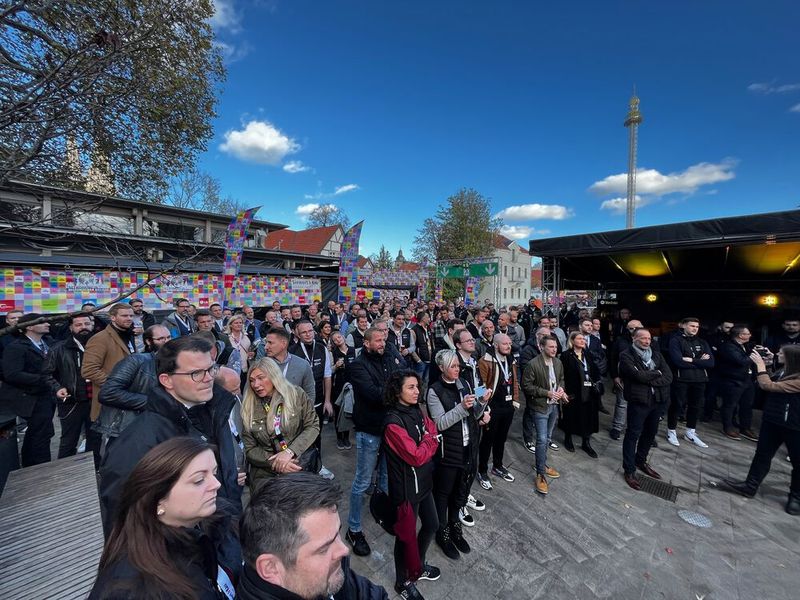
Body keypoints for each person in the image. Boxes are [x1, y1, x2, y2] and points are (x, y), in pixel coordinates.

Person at [98, 336, 241, 535]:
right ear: (167, 380)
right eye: (196, 373)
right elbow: (124, 521)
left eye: (210, 369)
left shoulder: (215, 411)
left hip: (221, 541)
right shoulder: (138, 442)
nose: (208, 378)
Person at [89, 437, 240, 600]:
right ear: (157, 500)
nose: (216, 484)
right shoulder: (134, 588)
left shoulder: (215, 524)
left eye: (214, 472)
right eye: (199, 480)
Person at [238, 472, 389, 600]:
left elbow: (368, 593)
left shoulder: (327, 573)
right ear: (270, 568)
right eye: (324, 549)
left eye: (337, 534)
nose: (344, 550)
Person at [345, 327, 403, 557]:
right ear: (366, 343)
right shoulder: (358, 365)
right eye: (378, 340)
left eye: (384, 339)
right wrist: (397, 390)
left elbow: (406, 374)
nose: (383, 343)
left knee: (387, 476)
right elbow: (374, 394)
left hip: (391, 427)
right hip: (369, 430)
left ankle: (382, 513)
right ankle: (354, 528)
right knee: (362, 480)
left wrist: (395, 385)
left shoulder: (389, 354)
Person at [383, 371, 441, 600]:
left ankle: (418, 564)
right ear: (398, 392)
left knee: (432, 524)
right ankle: (402, 581)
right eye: (411, 387)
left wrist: (429, 439)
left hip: (423, 482)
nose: (417, 391)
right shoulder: (392, 423)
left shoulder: (416, 409)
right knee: (405, 537)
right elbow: (416, 455)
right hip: (407, 490)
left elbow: (432, 429)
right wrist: (430, 440)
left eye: (417, 386)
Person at [723, 346, 800, 515]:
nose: (777, 354)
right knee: (762, 455)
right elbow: (772, 379)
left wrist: (760, 365)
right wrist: (770, 363)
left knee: (798, 463)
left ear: (791, 359)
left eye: (781, 353)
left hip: (795, 426)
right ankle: (750, 486)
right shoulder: (784, 370)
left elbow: (768, 385)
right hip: (773, 421)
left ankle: (796, 498)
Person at [427, 350, 488, 560]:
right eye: (452, 366)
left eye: (458, 366)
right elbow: (439, 423)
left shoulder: (465, 383)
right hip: (448, 451)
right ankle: (442, 533)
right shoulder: (434, 391)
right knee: (443, 493)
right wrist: (461, 407)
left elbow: (475, 414)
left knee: (460, 491)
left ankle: (455, 527)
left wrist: (482, 404)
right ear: (442, 368)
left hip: (468, 447)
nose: (457, 369)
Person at [240, 357, 320, 491]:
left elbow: (312, 425)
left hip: (298, 466)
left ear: (273, 376)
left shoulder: (296, 395)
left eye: (261, 378)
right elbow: (249, 449)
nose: (255, 384)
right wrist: (276, 462)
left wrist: (289, 452)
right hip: (266, 476)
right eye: (252, 380)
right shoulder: (249, 407)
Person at [96, 325, 172, 442]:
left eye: (169, 337)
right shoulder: (135, 360)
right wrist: (153, 401)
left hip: (153, 428)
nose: (166, 342)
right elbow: (108, 393)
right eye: (161, 338)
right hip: (123, 429)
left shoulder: (172, 363)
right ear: (148, 341)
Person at [618, 328, 673, 490]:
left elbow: (668, 376)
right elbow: (637, 376)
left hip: (657, 400)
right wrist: (656, 373)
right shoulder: (626, 355)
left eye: (649, 338)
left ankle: (640, 460)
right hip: (639, 401)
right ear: (634, 338)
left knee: (650, 433)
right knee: (632, 434)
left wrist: (651, 377)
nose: (647, 341)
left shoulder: (656, 353)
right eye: (643, 338)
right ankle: (629, 469)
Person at [42, 314, 102, 461]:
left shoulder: (99, 346)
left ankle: (94, 470)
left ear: (92, 325)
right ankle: (65, 473)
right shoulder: (58, 349)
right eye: (78, 324)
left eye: (87, 324)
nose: (83, 328)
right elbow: (46, 374)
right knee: (69, 440)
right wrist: (57, 388)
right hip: (71, 402)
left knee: (95, 438)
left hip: (96, 400)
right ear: (71, 327)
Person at [0, 313, 54, 466]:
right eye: (42, 322)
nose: (48, 324)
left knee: (43, 433)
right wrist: (44, 379)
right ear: (29, 327)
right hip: (29, 397)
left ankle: (37, 465)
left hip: (45, 395)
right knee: (38, 435)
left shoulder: (48, 342)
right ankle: (38, 467)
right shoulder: (16, 347)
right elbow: (12, 374)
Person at [522, 335, 565, 495]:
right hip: (540, 407)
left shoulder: (558, 362)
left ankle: (542, 463)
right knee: (540, 439)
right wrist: (546, 393)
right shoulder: (533, 365)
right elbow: (526, 386)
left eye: (555, 347)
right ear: (541, 347)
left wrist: (561, 389)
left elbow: (561, 379)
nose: (554, 349)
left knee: (547, 438)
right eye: (551, 347)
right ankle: (540, 473)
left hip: (554, 406)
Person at [290, 319, 333, 478]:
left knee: (317, 435)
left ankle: (318, 465)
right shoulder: (292, 351)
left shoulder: (322, 348)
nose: (308, 335)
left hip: (319, 401)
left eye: (310, 331)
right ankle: (300, 468)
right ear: (297, 334)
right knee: (300, 436)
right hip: (299, 405)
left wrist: (328, 400)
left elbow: (327, 376)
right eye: (303, 332)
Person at [82, 303, 136, 428]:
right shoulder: (100, 338)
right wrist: (115, 385)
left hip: (127, 400)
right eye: (124, 315)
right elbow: (88, 370)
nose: (129, 318)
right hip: (109, 401)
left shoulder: (128, 335)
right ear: (112, 317)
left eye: (131, 315)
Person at [666, 317, 714, 448]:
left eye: (697, 327)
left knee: (696, 406)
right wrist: (700, 361)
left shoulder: (702, 342)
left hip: (700, 379)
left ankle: (690, 432)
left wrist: (692, 360)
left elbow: (710, 363)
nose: (695, 328)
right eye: (692, 326)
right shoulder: (675, 340)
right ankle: (671, 431)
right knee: (677, 405)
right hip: (681, 379)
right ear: (683, 326)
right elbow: (678, 361)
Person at [560, 331, 601, 456]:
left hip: (588, 391)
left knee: (588, 417)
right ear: (572, 341)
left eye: (583, 339)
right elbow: (562, 375)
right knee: (571, 416)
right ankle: (568, 439)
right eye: (579, 339)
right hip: (573, 391)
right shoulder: (566, 356)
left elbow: (594, 370)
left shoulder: (587, 354)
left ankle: (586, 442)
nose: (583, 340)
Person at [716, 325, 758, 441]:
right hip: (733, 380)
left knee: (747, 405)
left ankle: (745, 428)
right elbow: (741, 361)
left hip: (747, 380)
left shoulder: (745, 346)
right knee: (730, 405)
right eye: (748, 333)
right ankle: (727, 427)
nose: (750, 335)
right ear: (741, 335)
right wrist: (757, 356)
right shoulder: (728, 347)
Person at [607, 319, 642, 440]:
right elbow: (613, 358)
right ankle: (617, 427)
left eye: (636, 327)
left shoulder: (649, 341)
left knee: (640, 406)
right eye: (631, 328)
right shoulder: (621, 341)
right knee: (622, 404)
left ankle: (638, 429)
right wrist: (615, 376)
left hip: (643, 379)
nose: (634, 330)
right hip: (624, 378)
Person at [263, 327, 316, 401]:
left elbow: (310, 393)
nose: (266, 347)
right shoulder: (261, 366)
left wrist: (306, 412)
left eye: (270, 343)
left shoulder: (302, 365)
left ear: (283, 344)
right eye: (266, 343)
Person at [330, 330, 356, 449]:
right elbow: (329, 370)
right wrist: (335, 366)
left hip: (352, 386)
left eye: (339, 337)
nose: (338, 340)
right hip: (339, 386)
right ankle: (339, 438)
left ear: (343, 337)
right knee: (338, 412)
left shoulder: (353, 350)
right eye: (335, 340)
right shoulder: (333, 353)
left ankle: (346, 437)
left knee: (348, 411)